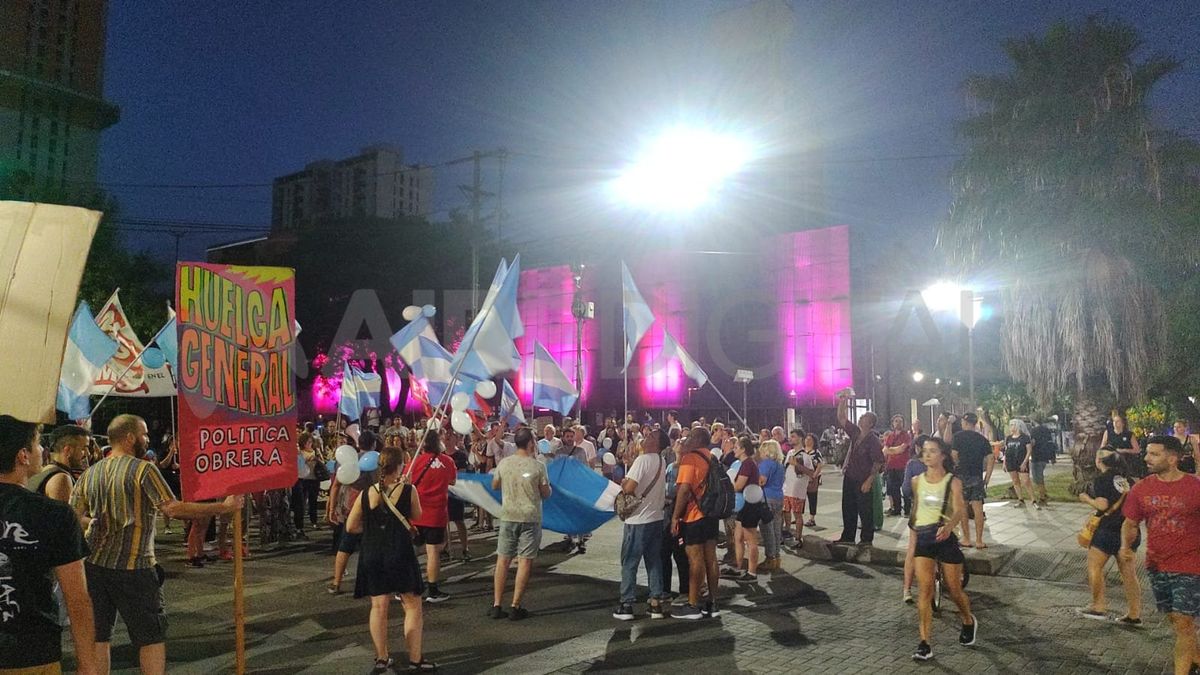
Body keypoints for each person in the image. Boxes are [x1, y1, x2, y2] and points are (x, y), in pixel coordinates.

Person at [71, 414, 239, 675]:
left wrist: (92, 522)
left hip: (95, 566)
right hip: (135, 567)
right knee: (150, 637)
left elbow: (74, 516)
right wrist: (223, 507)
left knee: (99, 636)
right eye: (144, 434)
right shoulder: (143, 469)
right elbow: (172, 509)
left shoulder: (89, 473)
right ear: (129, 438)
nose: (147, 439)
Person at [0, 416, 99, 675]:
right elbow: (77, 600)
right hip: (31, 655)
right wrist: (88, 665)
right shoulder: (54, 514)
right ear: (23, 455)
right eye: (37, 444)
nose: (43, 450)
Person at [345, 445, 436, 673]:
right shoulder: (408, 490)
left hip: (372, 552)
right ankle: (415, 659)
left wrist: (374, 529)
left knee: (378, 606)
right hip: (400, 552)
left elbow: (351, 526)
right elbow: (417, 515)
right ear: (400, 465)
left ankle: (381, 658)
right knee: (412, 604)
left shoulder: (367, 493)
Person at [1120, 435, 1200, 675]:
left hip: (1190, 564)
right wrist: (1126, 546)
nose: (1146, 458)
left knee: (1183, 622)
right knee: (1176, 622)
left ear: (1172, 458)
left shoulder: (1195, 487)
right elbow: (1130, 522)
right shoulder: (1142, 488)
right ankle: (1196, 658)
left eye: (1154, 454)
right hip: (1156, 565)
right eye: (1147, 453)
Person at [910, 436, 977, 661]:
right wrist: (913, 530)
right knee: (925, 590)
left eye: (932, 451)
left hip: (945, 536)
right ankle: (924, 643)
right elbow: (916, 508)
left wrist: (949, 526)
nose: (927, 455)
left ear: (943, 455)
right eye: (925, 451)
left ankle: (968, 619)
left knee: (953, 588)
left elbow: (960, 509)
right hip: (924, 537)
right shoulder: (917, 480)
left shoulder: (952, 481)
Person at [490, 427, 551, 620]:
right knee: (524, 561)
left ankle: (497, 604)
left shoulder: (504, 463)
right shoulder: (538, 466)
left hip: (508, 515)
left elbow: (494, 485)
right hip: (530, 518)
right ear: (531, 443)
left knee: (503, 560)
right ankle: (515, 606)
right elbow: (546, 493)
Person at [1076, 448, 1141, 625]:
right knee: (1129, 573)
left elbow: (1102, 504)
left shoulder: (1102, 479)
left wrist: (1086, 499)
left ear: (1099, 461)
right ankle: (1134, 614)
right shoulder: (1128, 480)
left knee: (1094, 566)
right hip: (1128, 531)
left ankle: (1098, 606)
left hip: (1107, 530)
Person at [613, 428, 668, 621]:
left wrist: (624, 482)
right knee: (654, 561)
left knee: (629, 562)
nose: (647, 437)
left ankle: (626, 603)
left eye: (652, 436)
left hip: (638, 520)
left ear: (657, 443)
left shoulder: (642, 460)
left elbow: (629, 488)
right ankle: (655, 602)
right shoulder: (662, 461)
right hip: (656, 517)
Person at [670, 427, 722, 620]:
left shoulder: (690, 458)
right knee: (711, 558)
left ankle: (693, 605)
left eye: (690, 436)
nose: (686, 439)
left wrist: (675, 517)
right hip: (712, 514)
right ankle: (713, 602)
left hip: (694, 514)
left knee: (695, 558)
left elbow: (684, 490)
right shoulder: (712, 458)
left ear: (698, 439)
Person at [408, 431, 457, 603]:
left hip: (416, 512)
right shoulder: (448, 461)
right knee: (433, 552)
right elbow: (452, 481)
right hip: (436, 513)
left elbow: (407, 482)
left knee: (412, 551)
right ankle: (433, 589)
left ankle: (407, 587)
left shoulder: (415, 461)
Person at [832, 392, 884, 546]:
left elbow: (878, 462)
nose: (861, 418)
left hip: (863, 478)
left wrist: (869, 480)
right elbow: (842, 418)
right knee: (848, 507)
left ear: (871, 423)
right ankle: (848, 536)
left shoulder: (873, 440)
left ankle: (866, 539)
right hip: (850, 476)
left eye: (865, 418)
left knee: (865, 509)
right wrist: (843, 401)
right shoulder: (855, 433)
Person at [951, 412, 995, 549]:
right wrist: (987, 477)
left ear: (964, 423)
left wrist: (958, 464)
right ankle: (980, 540)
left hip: (961, 476)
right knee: (978, 509)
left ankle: (966, 539)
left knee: (963, 508)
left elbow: (954, 454)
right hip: (976, 476)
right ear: (975, 423)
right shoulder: (982, 439)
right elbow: (991, 458)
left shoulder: (957, 437)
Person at [901, 434, 931, 604]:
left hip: (919, 510)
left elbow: (905, 491)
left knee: (912, 549)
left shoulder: (912, 465)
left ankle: (907, 589)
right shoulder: (940, 463)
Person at [728, 436, 763, 581]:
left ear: (743, 449)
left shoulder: (748, 464)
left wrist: (729, 484)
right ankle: (739, 566)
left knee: (751, 540)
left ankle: (752, 572)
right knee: (738, 537)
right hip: (744, 505)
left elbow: (738, 486)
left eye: (736, 447)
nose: (733, 450)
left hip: (750, 505)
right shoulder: (746, 463)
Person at [661, 448, 690, 601]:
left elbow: (679, 491)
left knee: (680, 554)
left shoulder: (686, 468)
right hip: (667, 514)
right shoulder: (670, 466)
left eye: (682, 442)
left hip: (679, 515)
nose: (678, 443)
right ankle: (665, 590)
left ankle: (685, 590)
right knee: (664, 553)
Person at [756, 438, 786, 571]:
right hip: (779, 497)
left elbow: (762, 481)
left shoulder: (766, 464)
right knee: (776, 529)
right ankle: (777, 557)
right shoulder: (779, 464)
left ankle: (770, 558)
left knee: (767, 530)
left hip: (767, 498)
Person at [783, 432, 815, 546]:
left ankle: (798, 537)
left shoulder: (805, 456)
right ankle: (787, 532)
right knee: (786, 512)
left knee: (797, 514)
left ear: (800, 438)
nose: (790, 439)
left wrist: (797, 465)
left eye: (793, 437)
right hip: (787, 488)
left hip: (798, 490)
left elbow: (811, 473)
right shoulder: (790, 452)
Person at [882, 415, 913, 517]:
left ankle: (908, 510)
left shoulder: (906, 435)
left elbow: (902, 449)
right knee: (894, 489)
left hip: (903, 466)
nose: (898, 423)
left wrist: (891, 450)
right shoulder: (890, 436)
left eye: (900, 421)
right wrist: (894, 450)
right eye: (896, 421)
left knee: (905, 489)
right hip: (891, 466)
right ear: (892, 423)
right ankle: (897, 509)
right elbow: (885, 450)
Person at [446, 435, 471, 561]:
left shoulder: (460, 455)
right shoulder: (440, 455)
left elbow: (462, 474)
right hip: (443, 493)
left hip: (456, 492)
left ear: (455, 439)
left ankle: (465, 548)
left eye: (449, 436)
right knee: (444, 521)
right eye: (445, 437)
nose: (447, 438)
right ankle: (445, 547)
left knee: (459, 520)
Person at [1002, 420, 1035, 507]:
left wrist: (1025, 462)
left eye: (1012, 425)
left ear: (1017, 426)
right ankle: (1020, 499)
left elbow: (1029, 450)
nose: (1011, 427)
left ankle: (1033, 500)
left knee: (1026, 481)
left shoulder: (1025, 437)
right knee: (1015, 481)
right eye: (1010, 425)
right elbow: (1006, 451)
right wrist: (1004, 462)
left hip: (1021, 461)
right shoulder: (1008, 438)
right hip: (1010, 462)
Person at [1102, 413, 1143, 477]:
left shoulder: (1129, 434)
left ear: (1123, 423)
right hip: (1112, 460)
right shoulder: (1108, 433)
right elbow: (1102, 447)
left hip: (1127, 461)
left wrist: (1124, 450)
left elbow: (1137, 450)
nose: (1115, 423)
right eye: (1114, 421)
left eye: (1117, 421)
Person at [154, 434, 180, 534]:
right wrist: (170, 453)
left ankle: (186, 527)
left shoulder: (181, 452)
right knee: (167, 502)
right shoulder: (163, 452)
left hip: (177, 478)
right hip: (166, 479)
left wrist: (178, 466)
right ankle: (167, 526)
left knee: (182, 501)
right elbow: (163, 465)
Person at [1029, 420, 1057, 507]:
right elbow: (1050, 443)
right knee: (1040, 477)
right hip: (1045, 456)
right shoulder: (1046, 430)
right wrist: (1052, 457)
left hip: (1036, 456)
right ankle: (1044, 494)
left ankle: (1042, 498)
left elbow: (1032, 442)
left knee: (1038, 478)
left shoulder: (1033, 431)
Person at [803, 433, 823, 528]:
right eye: (806, 439)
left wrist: (815, 475)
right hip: (802, 477)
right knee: (800, 497)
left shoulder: (816, 453)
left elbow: (819, 464)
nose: (807, 441)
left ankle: (812, 518)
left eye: (810, 439)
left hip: (813, 477)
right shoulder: (802, 451)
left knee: (812, 497)